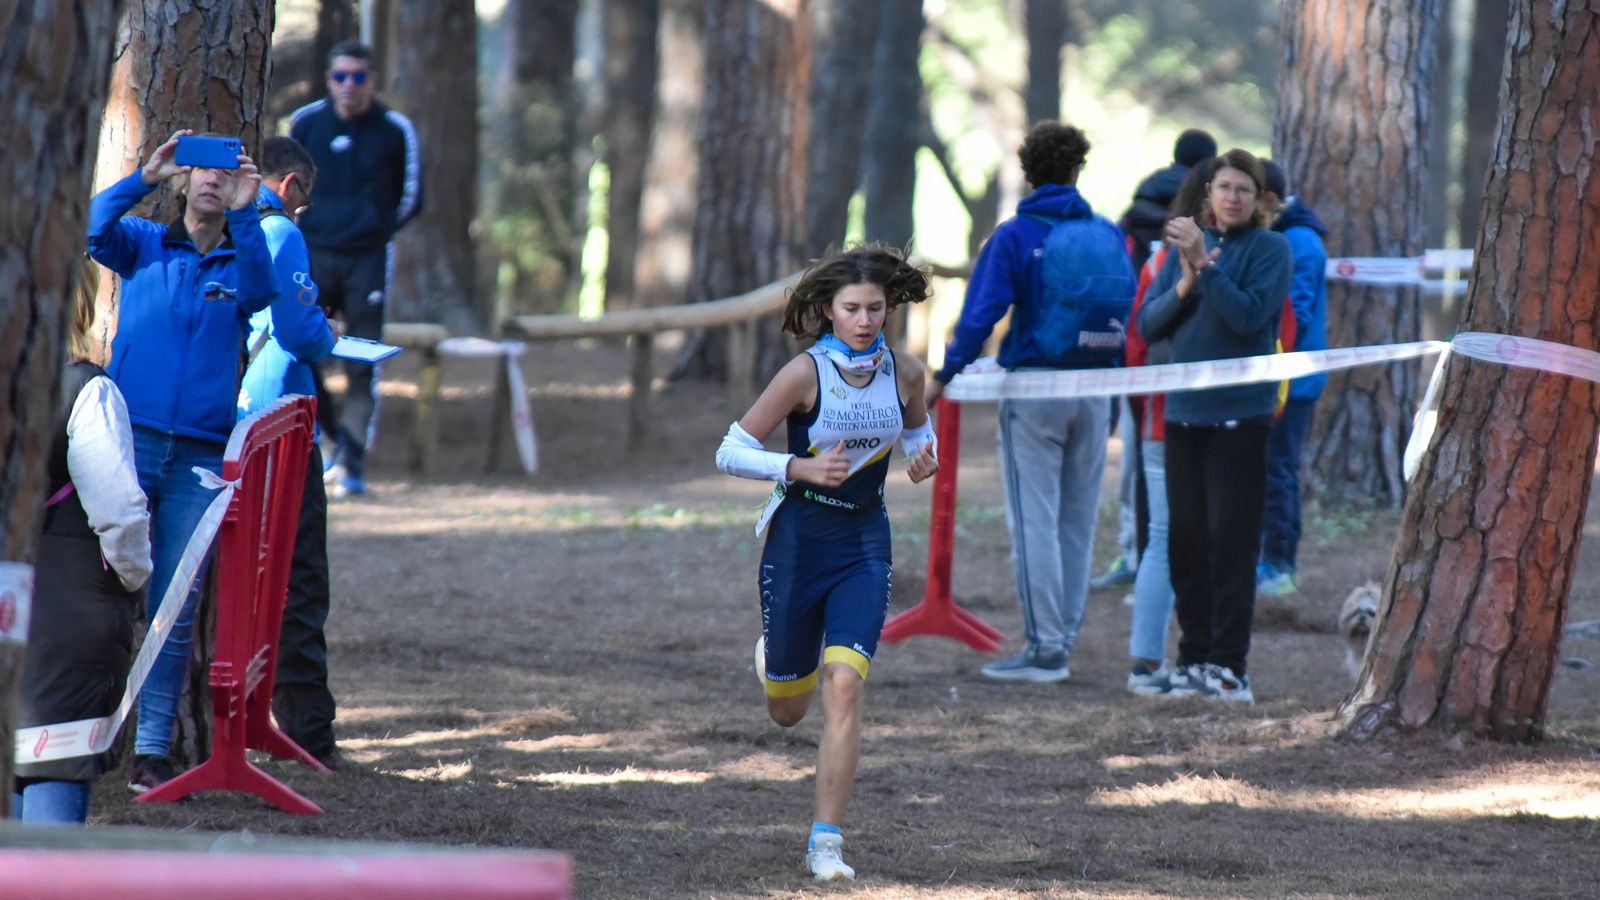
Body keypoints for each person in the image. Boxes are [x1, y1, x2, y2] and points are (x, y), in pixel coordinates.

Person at [714, 245, 937, 882]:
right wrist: (798, 467)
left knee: (845, 687)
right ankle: (777, 658)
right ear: (829, 311)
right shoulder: (804, 374)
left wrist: (924, 456)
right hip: (798, 542)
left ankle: (826, 843)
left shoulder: (906, 372)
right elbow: (729, 450)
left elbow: (918, 432)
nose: (865, 321)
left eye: (876, 308)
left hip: (864, 543)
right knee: (787, 711)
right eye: (852, 309)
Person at [87, 129, 276, 791]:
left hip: (198, 454)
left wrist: (249, 211)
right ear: (184, 180)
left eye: (224, 172)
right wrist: (146, 175)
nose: (211, 179)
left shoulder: (239, 259)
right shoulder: (143, 243)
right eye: (200, 169)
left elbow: (263, 291)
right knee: (101, 592)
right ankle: (86, 734)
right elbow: (92, 228)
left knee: (174, 605)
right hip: (128, 442)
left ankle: (152, 750)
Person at [927, 120, 1137, 684]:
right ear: (1077, 170)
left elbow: (981, 315)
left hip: (1035, 390)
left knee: (1034, 520)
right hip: (1097, 390)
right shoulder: (1107, 232)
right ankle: (1063, 636)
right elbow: (1126, 310)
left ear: (1027, 172)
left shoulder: (1015, 236)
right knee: (1078, 518)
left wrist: (945, 374)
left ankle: (1045, 650)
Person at [1135, 148, 1292, 703]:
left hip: (1240, 419)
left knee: (1231, 544)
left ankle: (1230, 668)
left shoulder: (1270, 250)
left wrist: (1206, 266)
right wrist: (1183, 282)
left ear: (1260, 200)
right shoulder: (1187, 248)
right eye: (1224, 187)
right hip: (1184, 417)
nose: (1232, 197)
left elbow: (1248, 317)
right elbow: (1148, 325)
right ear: (1208, 194)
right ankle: (1193, 658)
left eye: (1243, 189)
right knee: (1186, 545)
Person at [14, 263, 153, 824]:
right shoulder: (86, 390)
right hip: (63, 617)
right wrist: (132, 578)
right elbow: (120, 515)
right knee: (53, 771)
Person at [238, 135, 342, 767]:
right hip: (283, 422)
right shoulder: (280, 231)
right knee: (299, 575)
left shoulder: (229, 228)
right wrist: (327, 332)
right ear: (291, 185)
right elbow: (301, 332)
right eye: (305, 199)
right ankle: (307, 730)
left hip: (239, 417)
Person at [290, 39, 423, 498]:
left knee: (362, 360)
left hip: (368, 260)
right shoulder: (306, 123)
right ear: (330, 80)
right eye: (341, 76)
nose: (350, 85)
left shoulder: (394, 129)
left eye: (359, 76)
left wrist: (374, 230)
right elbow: (285, 182)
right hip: (313, 257)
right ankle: (329, 440)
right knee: (306, 352)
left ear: (372, 80)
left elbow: (411, 196)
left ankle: (353, 462)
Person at [1123, 166, 1208, 695]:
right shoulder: (1163, 263)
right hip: (1172, 421)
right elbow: (1140, 337)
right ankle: (1153, 661)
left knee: (1168, 538)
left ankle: (1166, 660)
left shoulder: (1158, 260)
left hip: (1177, 418)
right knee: (1168, 538)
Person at [1256, 159, 1329, 598]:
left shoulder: (1299, 241)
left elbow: (1293, 315)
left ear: (1268, 199)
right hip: (1277, 375)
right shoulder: (1287, 235)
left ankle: (1279, 564)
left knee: (1278, 468)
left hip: (1292, 380)